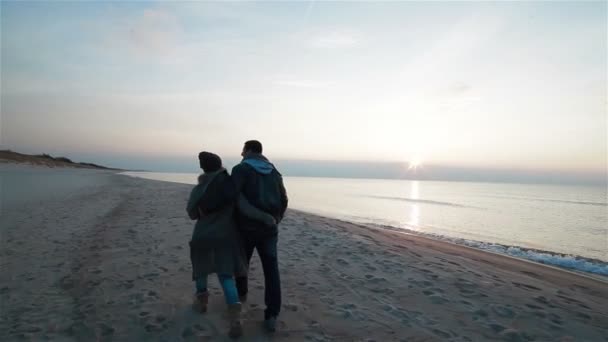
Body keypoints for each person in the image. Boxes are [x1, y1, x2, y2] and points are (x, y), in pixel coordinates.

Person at [186, 151, 276, 338]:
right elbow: (245, 208)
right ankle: (235, 319)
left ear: (203, 168)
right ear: (220, 166)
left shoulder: (199, 188)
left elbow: (192, 213)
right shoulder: (230, 186)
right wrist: (267, 218)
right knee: (226, 275)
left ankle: (202, 303)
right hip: (226, 237)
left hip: (202, 235)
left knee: (201, 270)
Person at [231, 140, 288, 333]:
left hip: (246, 228)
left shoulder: (241, 169)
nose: (241, 154)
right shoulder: (273, 171)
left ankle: (240, 298)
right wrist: (275, 219)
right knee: (271, 270)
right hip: (270, 230)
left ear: (248, 150)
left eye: (243, 150)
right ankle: (272, 314)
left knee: (241, 265)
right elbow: (284, 199)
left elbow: (234, 197)